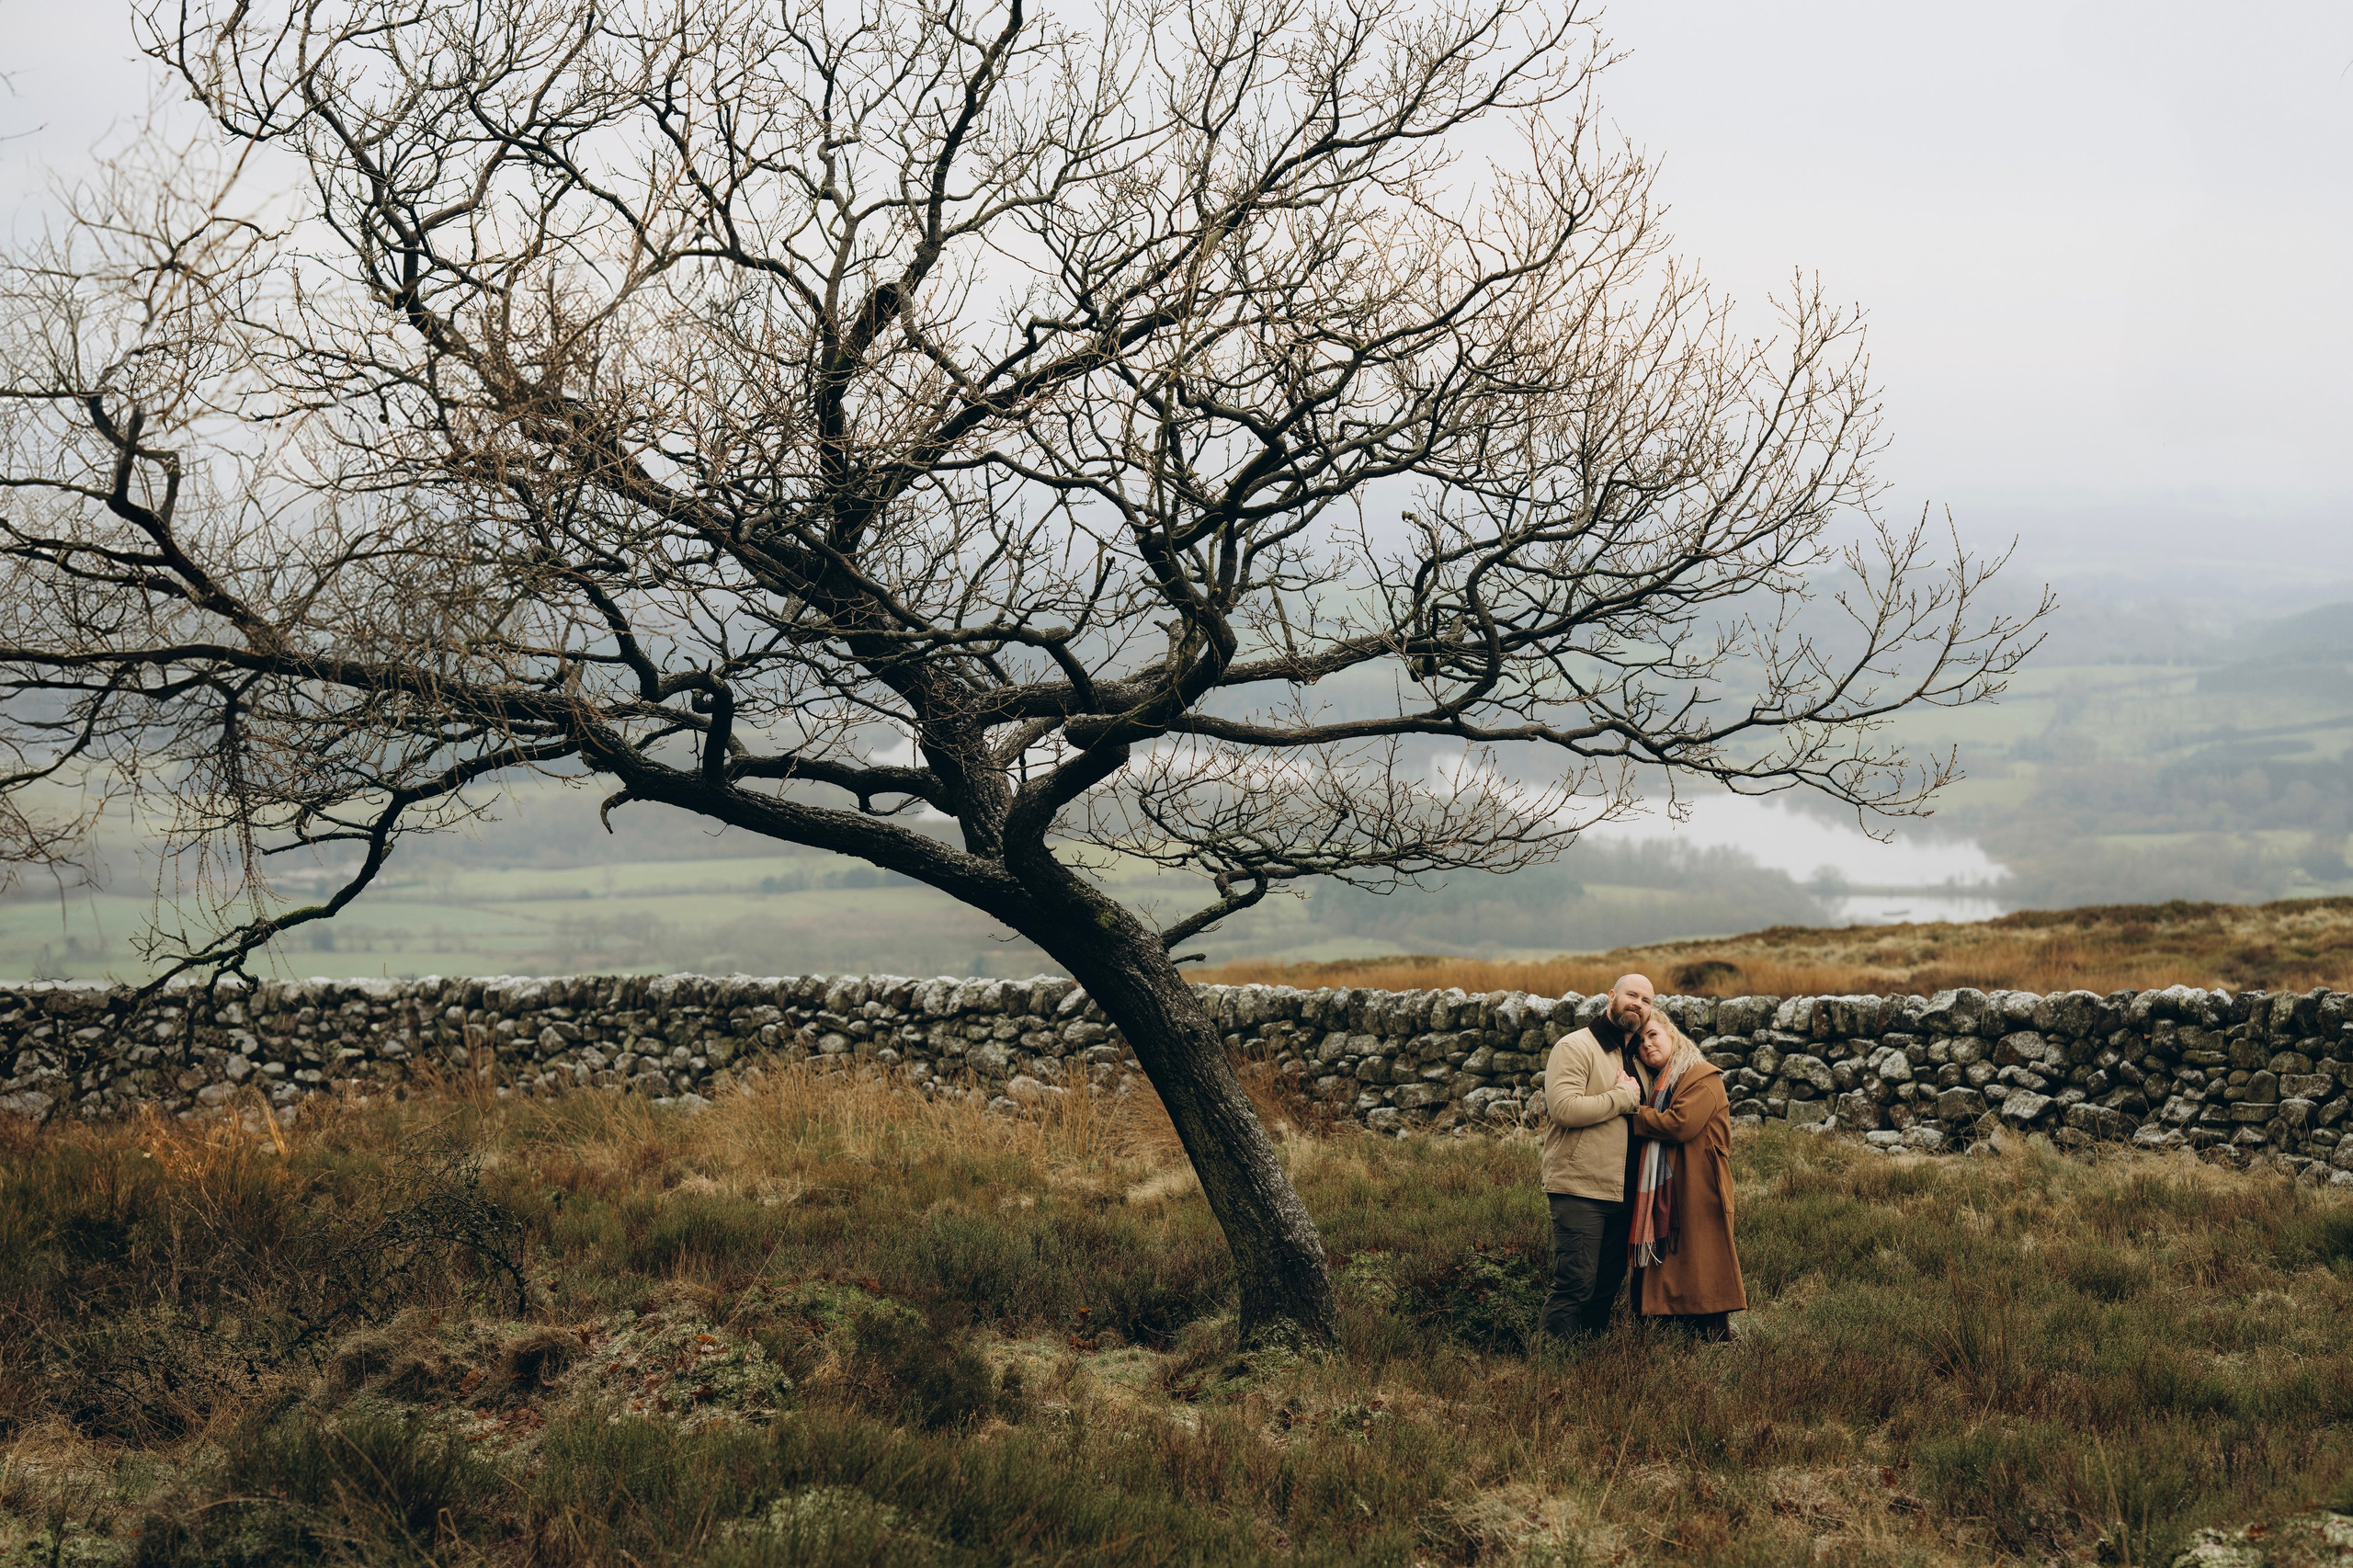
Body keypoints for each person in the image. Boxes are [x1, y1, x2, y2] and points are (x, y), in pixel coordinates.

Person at [1539, 972, 1654, 1341]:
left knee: (1605, 1287)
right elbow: (1565, 1109)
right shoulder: (1575, 1047)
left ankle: (1586, 1368)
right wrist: (1622, 1099)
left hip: (1625, 1193)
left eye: (1647, 1000)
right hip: (1580, 1188)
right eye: (1632, 994)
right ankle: (1551, 1366)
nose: (1638, 1003)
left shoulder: (1638, 1057)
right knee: (1574, 1284)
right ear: (1611, 996)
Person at [1622, 1012, 1747, 1339]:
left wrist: (1633, 1111)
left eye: (1652, 1035)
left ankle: (1709, 1337)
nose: (1647, 1044)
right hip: (1677, 1184)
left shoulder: (1702, 1077)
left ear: (1672, 1034)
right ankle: (1664, 1334)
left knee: (1700, 1261)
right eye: (1640, 1042)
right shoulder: (1661, 1083)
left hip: (1700, 1187)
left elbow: (1680, 1124)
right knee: (1676, 1260)